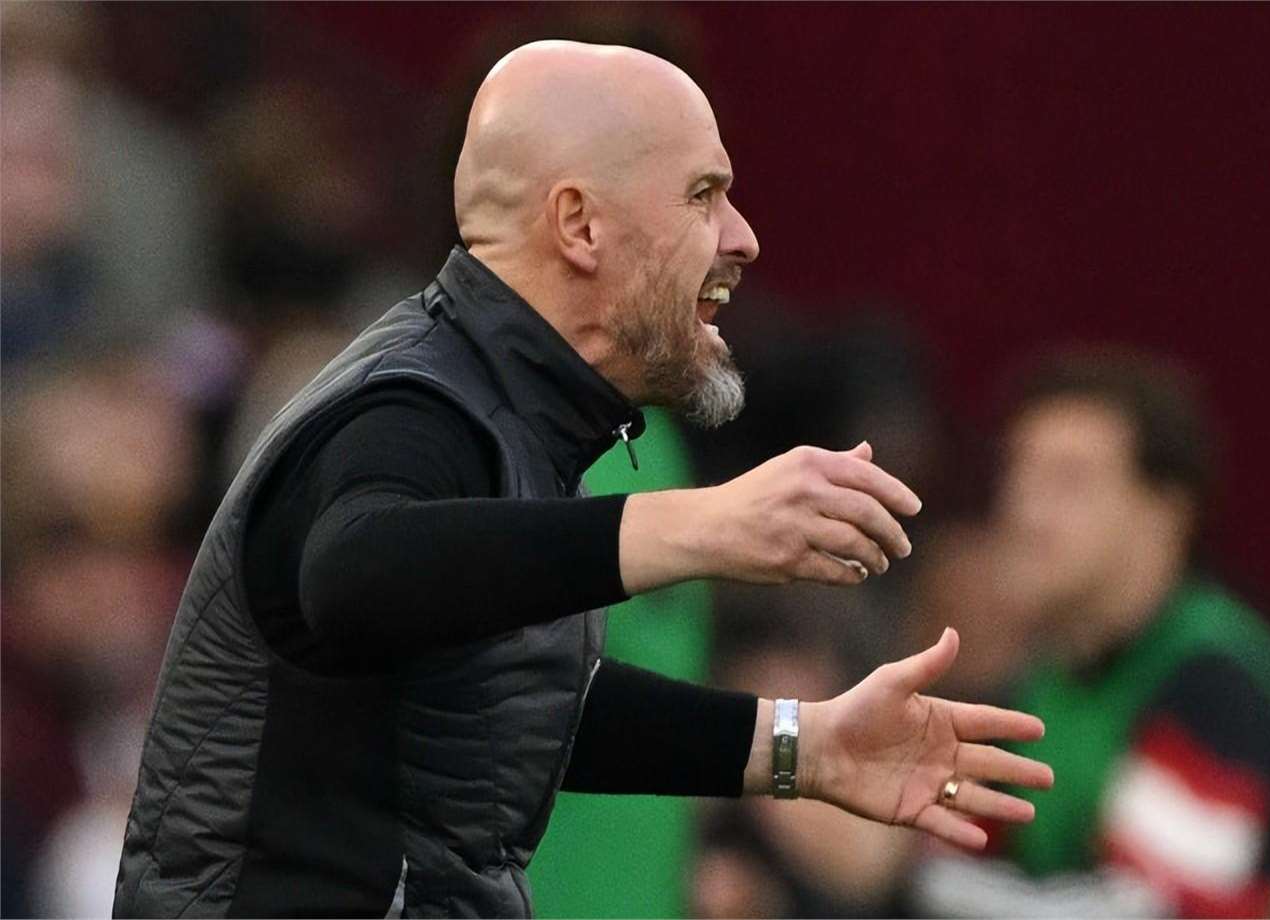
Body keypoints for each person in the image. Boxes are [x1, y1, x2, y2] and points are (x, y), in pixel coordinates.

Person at [113, 41, 1053, 917]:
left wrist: (804, 748)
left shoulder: (503, 407)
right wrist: (698, 525)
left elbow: (515, 695)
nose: (743, 237)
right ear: (580, 225)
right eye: (703, 195)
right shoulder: (409, 406)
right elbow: (354, 572)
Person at [913, 350, 1270, 918]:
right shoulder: (1046, 681)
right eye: (1018, 473)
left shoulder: (1222, 688)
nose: (1025, 511)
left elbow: (1151, 910)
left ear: (1165, 515)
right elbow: (961, 852)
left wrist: (906, 878)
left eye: (1069, 481)